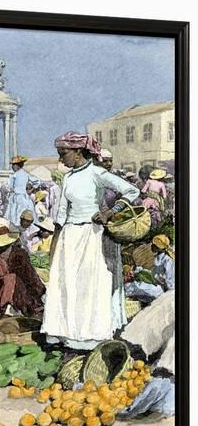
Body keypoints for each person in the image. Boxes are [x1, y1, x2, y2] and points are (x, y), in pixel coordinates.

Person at [41, 131, 140, 350]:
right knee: (68, 284)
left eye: (63, 153)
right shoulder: (67, 178)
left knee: (89, 285)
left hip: (92, 235)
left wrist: (109, 212)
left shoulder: (96, 173)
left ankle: (90, 336)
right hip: (70, 236)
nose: (61, 159)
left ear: (77, 152)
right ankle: (66, 332)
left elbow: (131, 190)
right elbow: (61, 215)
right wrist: (55, 246)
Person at [0, 225, 45, 325]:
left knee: (10, 279)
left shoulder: (18, 253)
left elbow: (29, 274)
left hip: (17, 288)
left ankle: (7, 308)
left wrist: (37, 291)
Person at [4, 156, 40, 226]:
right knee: (16, 212)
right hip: (18, 197)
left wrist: (31, 189)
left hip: (21, 198)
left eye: (14, 165)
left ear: (18, 166)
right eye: (12, 165)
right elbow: (37, 181)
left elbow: (37, 181)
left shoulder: (20, 175)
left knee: (19, 213)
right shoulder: (17, 175)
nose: (13, 167)